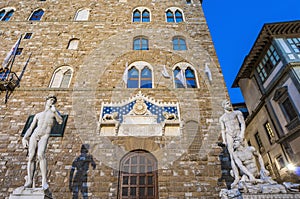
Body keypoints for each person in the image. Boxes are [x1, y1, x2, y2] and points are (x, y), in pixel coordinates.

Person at [22, 95, 63, 190]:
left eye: (54, 101)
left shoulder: (54, 113)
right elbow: (31, 127)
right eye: (51, 100)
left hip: (45, 135)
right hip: (35, 134)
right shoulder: (38, 115)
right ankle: (29, 180)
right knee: (31, 157)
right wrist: (24, 138)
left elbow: (60, 121)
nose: (52, 102)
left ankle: (44, 180)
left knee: (41, 155)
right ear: (47, 101)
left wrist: (55, 112)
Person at [219, 99, 246, 188]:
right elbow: (223, 130)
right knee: (232, 156)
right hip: (229, 135)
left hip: (238, 133)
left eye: (230, 103)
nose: (229, 104)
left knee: (243, 152)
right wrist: (224, 140)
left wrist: (242, 134)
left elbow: (242, 123)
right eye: (227, 103)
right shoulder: (222, 118)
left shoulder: (237, 113)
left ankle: (246, 174)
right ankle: (237, 177)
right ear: (224, 106)